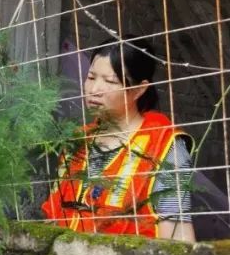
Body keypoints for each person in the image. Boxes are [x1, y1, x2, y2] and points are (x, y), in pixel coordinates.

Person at [42, 38, 196, 241]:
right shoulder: (77, 141)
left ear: (139, 90)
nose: (94, 89)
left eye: (110, 81)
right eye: (91, 77)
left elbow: (177, 234)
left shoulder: (164, 145)